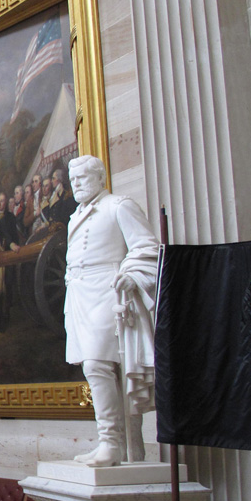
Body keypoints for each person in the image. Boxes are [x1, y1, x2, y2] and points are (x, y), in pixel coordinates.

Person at [65, 154, 159, 466]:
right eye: (73, 180)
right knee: (95, 368)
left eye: (82, 178)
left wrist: (132, 274)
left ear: (100, 177)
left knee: (98, 365)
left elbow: (146, 246)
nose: (76, 184)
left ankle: (111, 443)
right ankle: (120, 446)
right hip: (80, 296)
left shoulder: (119, 206)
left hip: (109, 292)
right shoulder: (75, 217)